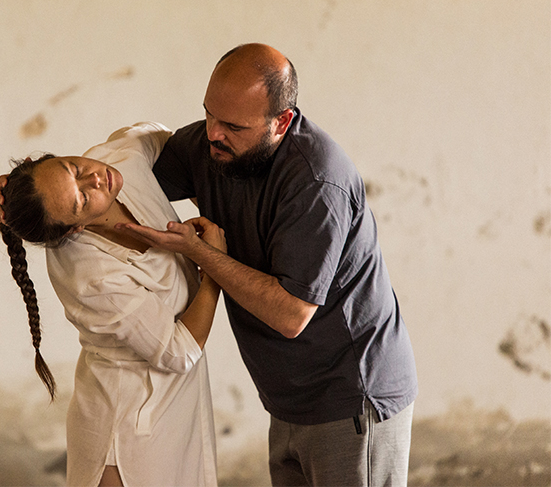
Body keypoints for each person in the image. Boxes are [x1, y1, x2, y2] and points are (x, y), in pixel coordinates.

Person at [111, 44, 419, 487]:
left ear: (282, 121)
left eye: (233, 125)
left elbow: (291, 314)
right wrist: (35, 192)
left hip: (352, 398)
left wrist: (202, 254)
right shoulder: (211, 145)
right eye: (208, 114)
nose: (213, 133)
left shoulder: (315, 183)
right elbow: (121, 182)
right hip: (288, 399)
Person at [0, 122, 225, 487]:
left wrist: (209, 197)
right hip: (126, 425)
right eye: (82, 200)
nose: (95, 180)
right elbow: (179, 352)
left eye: (73, 169)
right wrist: (213, 263)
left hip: (175, 409)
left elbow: (170, 142)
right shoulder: (90, 275)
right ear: (74, 229)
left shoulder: (121, 159)